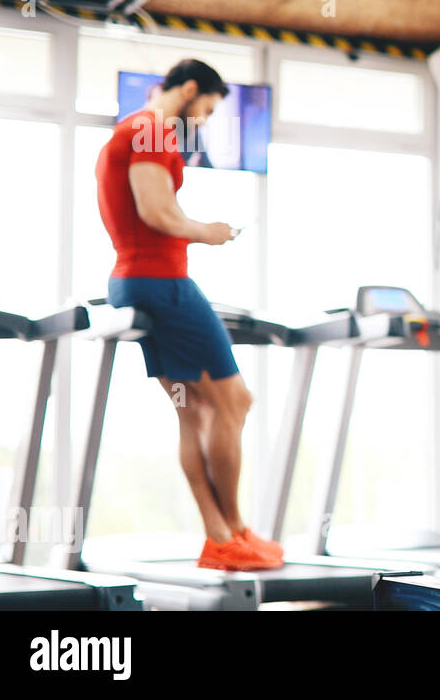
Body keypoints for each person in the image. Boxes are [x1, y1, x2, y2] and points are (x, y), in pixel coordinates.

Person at [96, 58, 283, 571]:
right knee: (234, 401)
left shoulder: (132, 130)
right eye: (207, 108)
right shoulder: (152, 128)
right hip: (163, 283)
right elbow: (156, 211)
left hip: (135, 281)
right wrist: (212, 231)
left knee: (194, 409)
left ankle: (220, 536)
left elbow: (149, 210)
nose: (203, 120)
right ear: (192, 89)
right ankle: (235, 529)